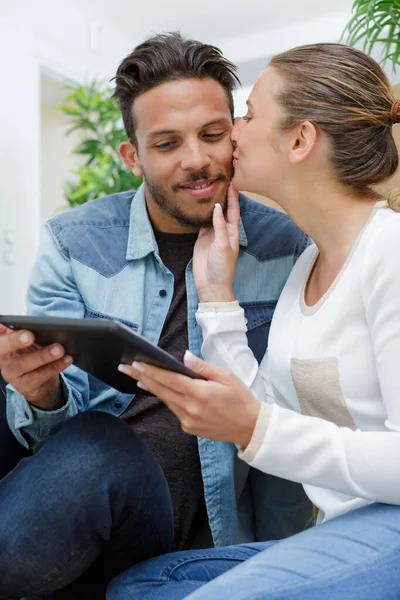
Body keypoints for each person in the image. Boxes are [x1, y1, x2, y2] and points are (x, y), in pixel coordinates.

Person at [0, 33, 312, 599]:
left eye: (213, 135)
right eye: (167, 143)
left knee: (104, 449)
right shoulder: (73, 242)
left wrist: (280, 568)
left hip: (174, 533)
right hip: (69, 505)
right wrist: (39, 391)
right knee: (80, 439)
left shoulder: (287, 251)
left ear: (236, 133)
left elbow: (286, 436)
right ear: (132, 156)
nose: (198, 159)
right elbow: (44, 433)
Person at [110, 43, 400, 599]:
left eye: (248, 115)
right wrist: (216, 293)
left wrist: (253, 428)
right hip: (345, 530)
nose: (233, 134)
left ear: (300, 140)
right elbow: (271, 409)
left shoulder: (387, 253)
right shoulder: (310, 264)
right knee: (142, 587)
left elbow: (267, 426)